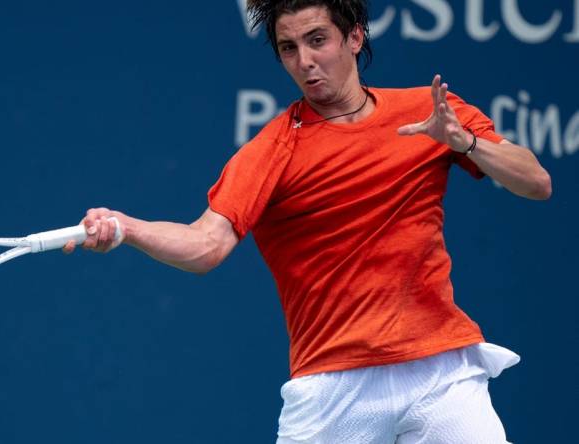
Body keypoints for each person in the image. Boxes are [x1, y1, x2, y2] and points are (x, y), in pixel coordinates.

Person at [63, 0, 552, 442]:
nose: (305, 62)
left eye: (317, 40)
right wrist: (127, 228)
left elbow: (536, 182)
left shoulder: (429, 113)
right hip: (334, 385)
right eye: (289, 48)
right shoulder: (274, 150)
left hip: (440, 370)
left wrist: (464, 141)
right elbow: (205, 245)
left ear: (354, 38)